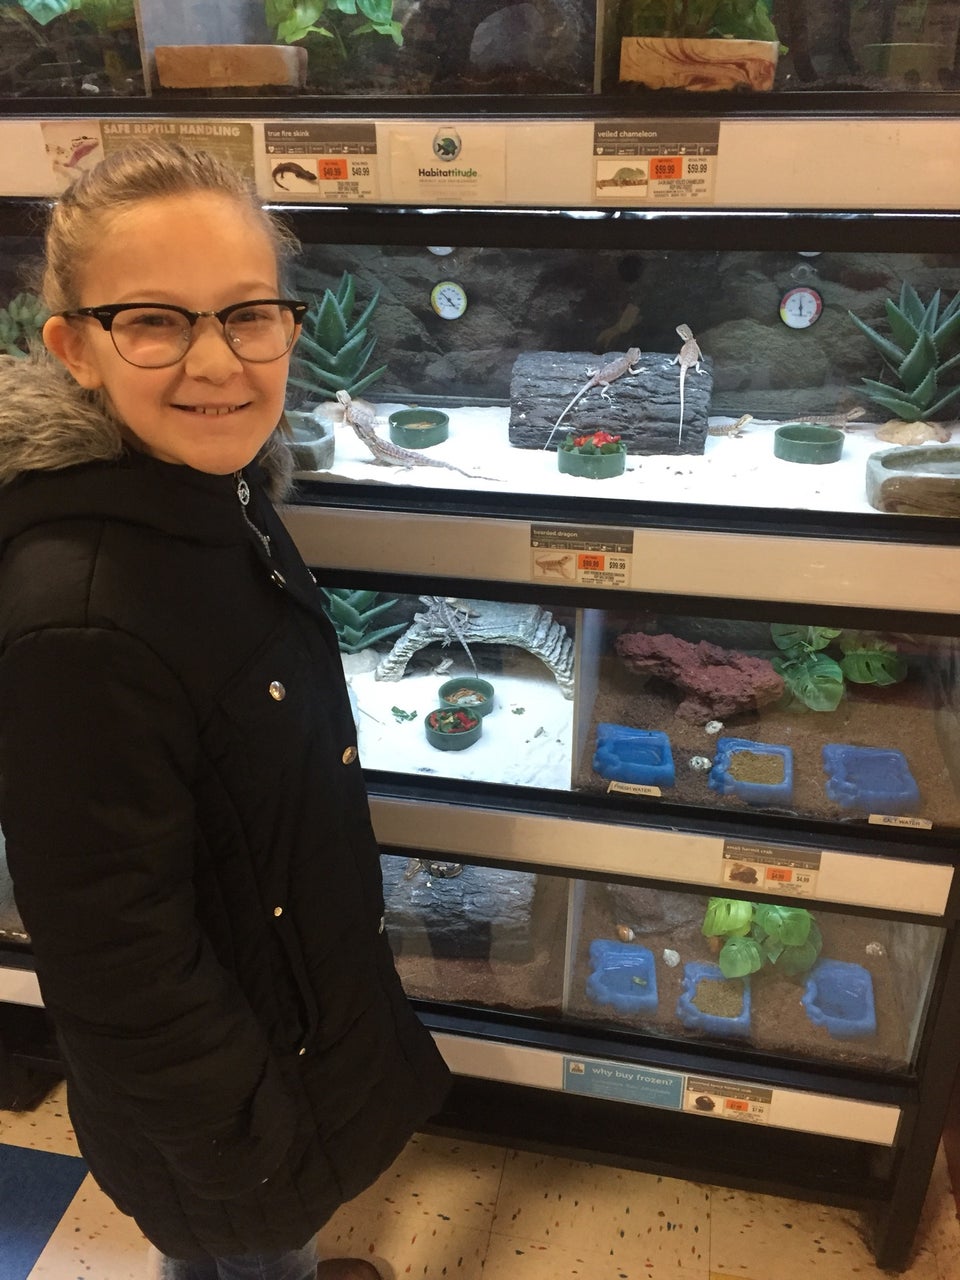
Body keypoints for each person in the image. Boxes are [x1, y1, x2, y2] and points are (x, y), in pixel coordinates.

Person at [0, 140, 451, 1280]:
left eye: (248, 314)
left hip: (279, 1010)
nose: (218, 361)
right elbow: (117, 958)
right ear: (74, 348)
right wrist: (247, 1149)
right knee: (249, 1251)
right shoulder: (81, 621)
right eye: (153, 321)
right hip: (232, 1105)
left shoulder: (211, 488)